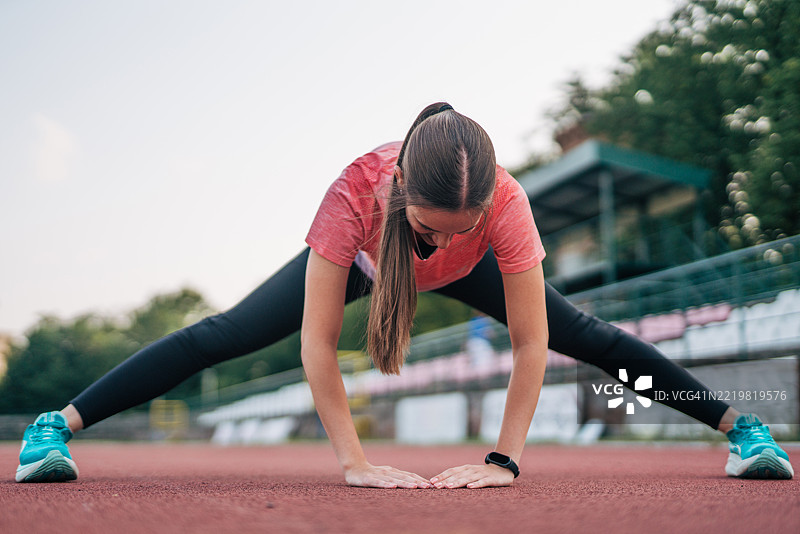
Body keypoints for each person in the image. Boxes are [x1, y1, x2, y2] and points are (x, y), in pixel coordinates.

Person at [16, 102, 793, 486]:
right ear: (399, 200)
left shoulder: (504, 208)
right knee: (220, 334)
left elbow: (531, 346)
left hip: (477, 269)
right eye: (430, 229)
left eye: (465, 226)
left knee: (586, 332)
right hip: (362, 260)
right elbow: (317, 346)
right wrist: (354, 462)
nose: (444, 240)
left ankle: (745, 430)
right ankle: (54, 426)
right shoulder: (354, 194)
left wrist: (504, 460)